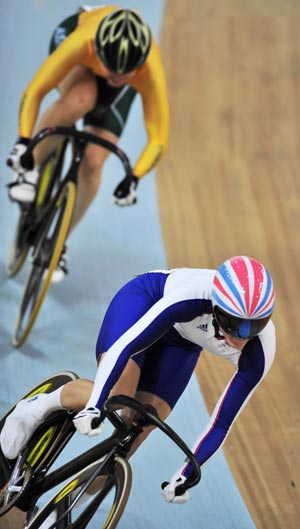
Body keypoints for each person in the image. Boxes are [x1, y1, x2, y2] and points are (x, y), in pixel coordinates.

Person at [0, 255, 276, 504]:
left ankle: (66, 507)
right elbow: (128, 344)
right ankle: (35, 407)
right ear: (216, 309)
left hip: (183, 342)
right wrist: (97, 403)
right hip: (147, 303)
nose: (242, 336)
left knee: (138, 429)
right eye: (234, 323)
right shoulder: (192, 296)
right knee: (118, 394)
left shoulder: (260, 351)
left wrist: (186, 473)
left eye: (255, 325)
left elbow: (221, 422)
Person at [6, 5, 169, 281]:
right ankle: (32, 170)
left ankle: (58, 243)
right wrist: (24, 143)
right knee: (80, 99)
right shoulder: (83, 41)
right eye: (111, 69)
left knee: (94, 162)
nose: (115, 76)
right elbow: (35, 90)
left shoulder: (150, 68)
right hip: (81, 56)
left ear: (138, 65)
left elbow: (159, 136)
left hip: (115, 70)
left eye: (124, 73)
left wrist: (134, 177)